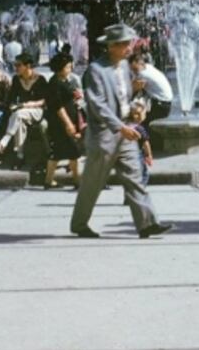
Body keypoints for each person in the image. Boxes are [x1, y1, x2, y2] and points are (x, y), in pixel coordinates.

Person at [69, 24, 172, 239]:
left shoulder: (125, 66)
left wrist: (136, 107)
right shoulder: (96, 70)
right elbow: (97, 105)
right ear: (112, 46)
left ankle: (147, 223)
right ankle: (79, 224)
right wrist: (120, 127)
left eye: (129, 43)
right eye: (125, 44)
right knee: (92, 184)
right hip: (104, 136)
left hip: (125, 132)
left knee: (134, 177)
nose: (129, 47)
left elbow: (125, 96)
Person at [0, 53, 48, 168]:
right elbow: (12, 99)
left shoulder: (40, 79)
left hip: (37, 111)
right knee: (19, 122)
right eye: (14, 65)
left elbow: (45, 101)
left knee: (18, 114)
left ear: (28, 66)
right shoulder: (16, 80)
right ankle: (20, 156)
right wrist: (13, 105)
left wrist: (26, 105)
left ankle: (4, 142)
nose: (15, 67)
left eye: (18, 65)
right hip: (21, 114)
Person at [44, 51, 83, 190]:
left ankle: (49, 181)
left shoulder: (66, 80)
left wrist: (77, 95)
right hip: (60, 122)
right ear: (60, 68)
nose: (70, 69)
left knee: (58, 151)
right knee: (73, 150)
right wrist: (69, 124)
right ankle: (78, 181)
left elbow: (69, 95)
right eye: (67, 67)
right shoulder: (54, 83)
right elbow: (58, 107)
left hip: (67, 119)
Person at [128, 52, 174, 144]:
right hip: (166, 103)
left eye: (133, 68)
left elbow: (133, 89)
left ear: (138, 63)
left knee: (138, 119)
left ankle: (143, 147)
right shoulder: (148, 67)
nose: (132, 70)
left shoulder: (142, 75)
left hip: (161, 106)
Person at [125, 100, 153, 187]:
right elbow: (146, 143)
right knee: (143, 173)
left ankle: (132, 190)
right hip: (137, 155)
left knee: (131, 175)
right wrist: (149, 155)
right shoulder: (139, 128)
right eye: (136, 113)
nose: (138, 116)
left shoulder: (126, 127)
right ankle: (140, 189)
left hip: (127, 154)